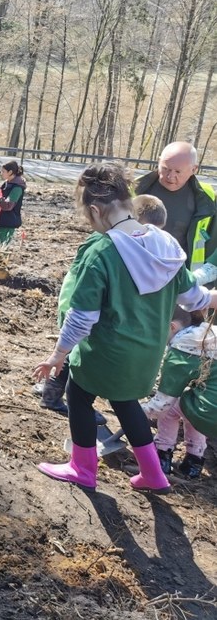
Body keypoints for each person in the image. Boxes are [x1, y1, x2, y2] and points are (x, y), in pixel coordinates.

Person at [33, 163, 217, 495]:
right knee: (126, 402)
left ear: (94, 210)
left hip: (105, 353)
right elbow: (193, 298)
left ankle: (82, 468)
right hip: (146, 357)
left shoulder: (102, 252)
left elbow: (81, 317)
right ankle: (153, 474)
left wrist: (58, 354)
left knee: (77, 396)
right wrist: (212, 297)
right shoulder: (167, 247)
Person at [142, 306, 212, 479]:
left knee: (171, 408)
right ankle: (194, 461)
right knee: (195, 406)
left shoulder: (184, 347)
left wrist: (135, 412)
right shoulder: (208, 335)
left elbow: (161, 405)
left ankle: (162, 455)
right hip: (210, 412)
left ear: (172, 327)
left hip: (209, 412)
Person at [134, 141, 217, 272]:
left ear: (194, 169)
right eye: (165, 168)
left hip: (181, 278)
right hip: (135, 270)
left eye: (178, 172)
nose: (170, 176)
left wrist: (205, 282)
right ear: (158, 161)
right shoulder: (134, 188)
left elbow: (213, 245)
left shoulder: (207, 198)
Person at [0, 160, 26, 245]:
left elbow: (8, 206)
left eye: (3, 171)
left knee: (1, 247)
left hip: (8, 222)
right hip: (2, 220)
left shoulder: (17, 188)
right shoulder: (7, 183)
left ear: (10, 172)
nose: (1, 173)